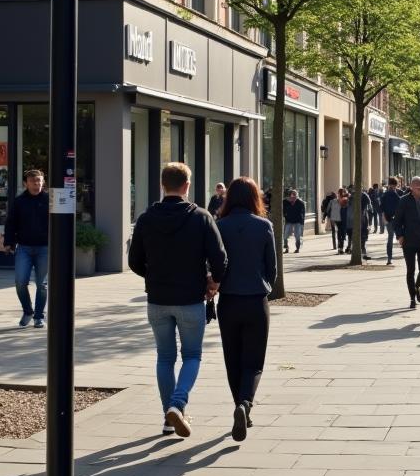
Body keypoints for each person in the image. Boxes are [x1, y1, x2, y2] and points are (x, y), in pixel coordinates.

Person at [129, 162, 228, 438]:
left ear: (163, 185)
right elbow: (220, 258)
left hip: (158, 298)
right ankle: (177, 403)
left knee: (164, 357)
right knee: (192, 355)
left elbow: (134, 261)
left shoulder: (147, 218)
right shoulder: (201, 217)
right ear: (187, 186)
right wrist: (214, 282)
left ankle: (168, 418)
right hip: (190, 298)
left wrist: (153, 276)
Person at [216, 177, 276, 442]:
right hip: (255, 300)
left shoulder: (220, 226)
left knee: (233, 358)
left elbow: (214, 263)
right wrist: (265, 286)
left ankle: (239, 406)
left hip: (228, 300)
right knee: (253, 361)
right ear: (255, 197)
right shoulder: (264, 226)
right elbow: (272, 268)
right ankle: (245, 404)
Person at [3, 169, 49, 328]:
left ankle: (38, 316)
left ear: (43, 182)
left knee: (42, 284)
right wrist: (8, 242)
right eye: (33, 181)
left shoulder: (50, 199)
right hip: (24, 248)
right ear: (26, 183)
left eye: (39, 181)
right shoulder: (19, 201)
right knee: (20, 282)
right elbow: (11, 223)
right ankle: (28, 310)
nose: (37, 184)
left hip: (45, 248)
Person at [393, 175, 420, 308]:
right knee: (411, 270)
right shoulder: (404, 201)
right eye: (417, 185)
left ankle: (416, 287)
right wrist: (400, 235)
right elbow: (397, 221)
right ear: (411, 187)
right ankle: (412, 298)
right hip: (408, 241)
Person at [380, 176, 401, 267]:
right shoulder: (397, 194)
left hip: (390, 218)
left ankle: (389, 258)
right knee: (396, 237)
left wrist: (384, 218)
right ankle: (391, 257)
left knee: (391, 238)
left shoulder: (385, 195)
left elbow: (382, 208)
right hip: (395, 219)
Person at [282, 189, 305, 253]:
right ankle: (286, 248)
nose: (293, 197)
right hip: (288, 221)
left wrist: (302, 223)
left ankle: (297, 248)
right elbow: (283, 210)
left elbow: (303, 213)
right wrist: (285, 215)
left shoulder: (300, 203)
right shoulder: (285, 202)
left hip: (297, 221)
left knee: (297, 236)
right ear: (290, 196)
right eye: (292, 195)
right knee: (285, 235)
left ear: (297, 196)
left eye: (295, 196)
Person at [335, 189, 350, 254]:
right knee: (343, 234)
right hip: (344, 220)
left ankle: (340, 248)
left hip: (339, 220)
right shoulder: (345, 200)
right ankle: (343, 248)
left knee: (340, 234)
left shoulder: (337, 201)